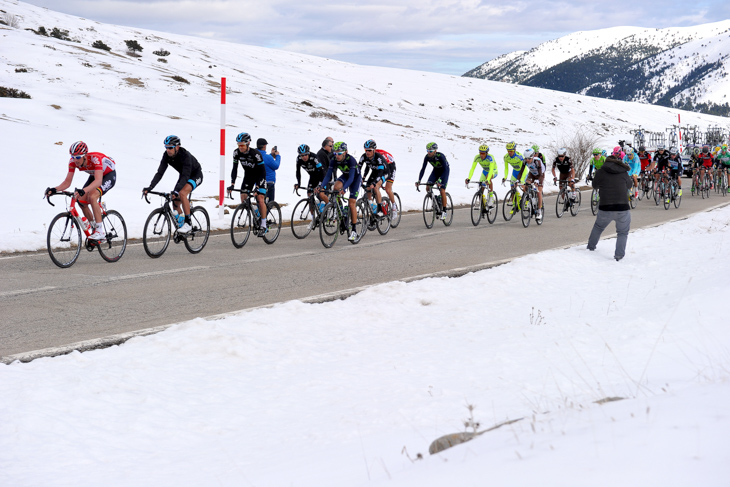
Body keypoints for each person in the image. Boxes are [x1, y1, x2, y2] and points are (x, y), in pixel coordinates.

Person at [46, 141, 117, 241]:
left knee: (92, 196)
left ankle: (100, 231)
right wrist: (54, 189)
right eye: (73, 156)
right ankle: (94, 226)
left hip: (108, 176)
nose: (75, 160)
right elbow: (67, 182)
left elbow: (98, 181)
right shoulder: (72, 162)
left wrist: (84, 190)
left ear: (85, 156)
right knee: (81, 200)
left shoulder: (95, 159)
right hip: (95, 175)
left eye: (78, 157)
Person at [143, 135, 203, 234]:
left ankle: (188, 224)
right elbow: (160, 173)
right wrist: (150, 187)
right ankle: (182, 225)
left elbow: (185, 175)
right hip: (184, 175)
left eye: (170, 147)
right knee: (175, 203)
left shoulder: (185, 156)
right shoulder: (166, 155)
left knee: (182, 193)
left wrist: (177, 190)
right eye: (166, 147)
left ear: (177, 147)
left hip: (195, 175)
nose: (168, 150)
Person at [587, 152, 632, 261]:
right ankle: (619, 256)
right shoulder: (623, 172)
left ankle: (590, 248)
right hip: (622, 208)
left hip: (605, 207)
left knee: (598, 227)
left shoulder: (601, 171)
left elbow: (594, 185)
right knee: (622, 232)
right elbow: (629, 185)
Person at [320, 142, 361, 242]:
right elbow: (328, 175)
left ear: (345, 152)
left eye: (339, 153)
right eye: (335, 153)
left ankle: (354, 231)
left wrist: (344, 188)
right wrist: (322, 186)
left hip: (355, 178)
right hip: (345, 176)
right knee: (335, 188)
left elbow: (351, 178)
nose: (336, 156)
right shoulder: (334, 160)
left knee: (351, 203)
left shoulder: (351, 160)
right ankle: (342, 212)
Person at [227, 132, 268, 235]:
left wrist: (258, 186)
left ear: (248, 143)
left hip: (259, 176)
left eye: (242, 145)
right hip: (248, 176)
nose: (240, 147)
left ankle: (263, 224)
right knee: (244, 199)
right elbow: (234, 168)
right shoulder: (236, 153)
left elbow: (263, 171)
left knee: (260, 198)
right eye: (238, 145)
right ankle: (255, 211)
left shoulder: (256, 154)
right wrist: (232, 184)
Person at [294, 143, 328, 229]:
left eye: (306, 154)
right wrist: (298, 183)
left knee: (321, 194)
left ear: (309, 153)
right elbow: (298, 172)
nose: (304, 157)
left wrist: (320, 185)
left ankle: (329, 206)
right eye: (302, 155)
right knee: (310, 197)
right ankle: (313, 220)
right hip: (312, 177)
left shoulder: (314, 157)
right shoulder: (299, 159)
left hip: (322, 176)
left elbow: (322, 172)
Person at [416, 142, 450, 220]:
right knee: (428, 187)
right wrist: (419, 180)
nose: (429, 152)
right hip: (436, 171)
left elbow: (445, 169)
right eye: (427, 150)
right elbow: (423, 169)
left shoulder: (440, 156)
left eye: (430, 151)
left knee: (442, 190)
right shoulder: (427, 157)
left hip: (444, 172)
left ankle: (444, 211)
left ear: (435, 151)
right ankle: (436, 200)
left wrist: (440, 180)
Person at [360, 139, 388, 215]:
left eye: (369, 150)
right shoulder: (363, 157)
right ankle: (372, 206)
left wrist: (375, 182)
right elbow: (358, 169)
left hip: (384, 172)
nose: (367, 152)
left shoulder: (378, 157)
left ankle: (380, 209)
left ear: (374, 150)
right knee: (367, 187)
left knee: (375, 187)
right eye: (366, 150)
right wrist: (361, 178)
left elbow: (380, 172)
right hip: (375, 172)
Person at [518, 148, 545, 221]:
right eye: (526, 159)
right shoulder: (525, 161)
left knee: (539, 192)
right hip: (532, 174)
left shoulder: (537, 161)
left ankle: (539, 211)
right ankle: (528, 198)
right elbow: (521, 172)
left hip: (540, 175)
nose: (527, 160)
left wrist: (537, 181)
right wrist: (518, 180)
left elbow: (540, 174)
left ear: (532, 157)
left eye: (529, 159)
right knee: (526, 185)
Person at [376, 147, 398, 218]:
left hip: (390, 167)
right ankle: (381, 204)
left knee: (387, 189)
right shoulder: (370, 156)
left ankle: (394, 206)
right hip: (381, 168)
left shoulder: (381, 156)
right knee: (375, 186)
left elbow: (387, 170)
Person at [257, 138, 280, 202]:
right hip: (269, 182)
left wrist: (271, 155)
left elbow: (265, 161)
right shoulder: (267, 157)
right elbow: (276, 166)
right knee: (270, 202)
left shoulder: (256, 155)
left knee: (260, 201)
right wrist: (277, 156)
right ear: (264, 146)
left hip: (258, 182)